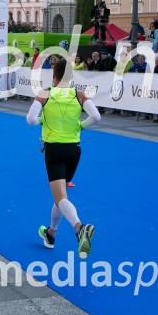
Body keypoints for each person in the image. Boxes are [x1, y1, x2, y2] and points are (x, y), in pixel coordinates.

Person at [26, 59, 101, 259]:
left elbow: (30, 119)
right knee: (61, 196)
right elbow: (96, 116)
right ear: (71, 76)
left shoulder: (45, 93)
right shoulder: (79, 94)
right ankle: (51, 234)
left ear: (54, 75)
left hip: (54, 150)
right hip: (74, 150)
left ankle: (80, 228)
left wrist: (43, 120)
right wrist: (80, 126)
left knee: (60, 198)